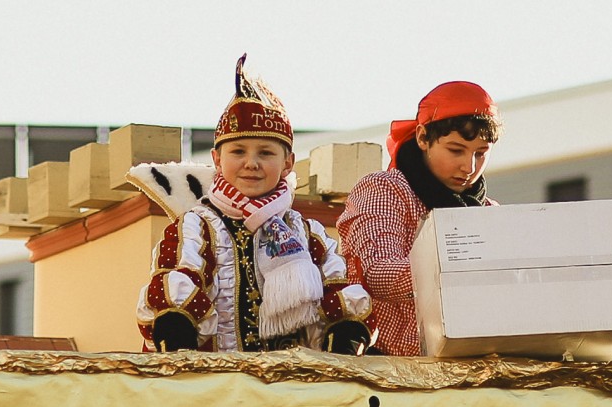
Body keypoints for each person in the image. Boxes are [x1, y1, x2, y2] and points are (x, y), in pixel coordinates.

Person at [136, 56, 337, 353]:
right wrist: (176, 322)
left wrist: (346, 326)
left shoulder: (306, 233)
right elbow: (177, 279)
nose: (251, 163)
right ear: (217, 160)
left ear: (288, 163)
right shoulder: (196, 226)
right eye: (238, 151)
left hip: (295, 387)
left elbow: (336, 285)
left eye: (266, 153)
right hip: (218, 386)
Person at [337, 81, 502, 356]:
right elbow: (377, 272)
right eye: (456, 149)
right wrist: (462, 271)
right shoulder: (385, 188)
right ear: (423, 137)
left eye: (481, 153)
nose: (469, 167)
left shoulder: (491, 212)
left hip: (467, 374)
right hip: (383, 372)